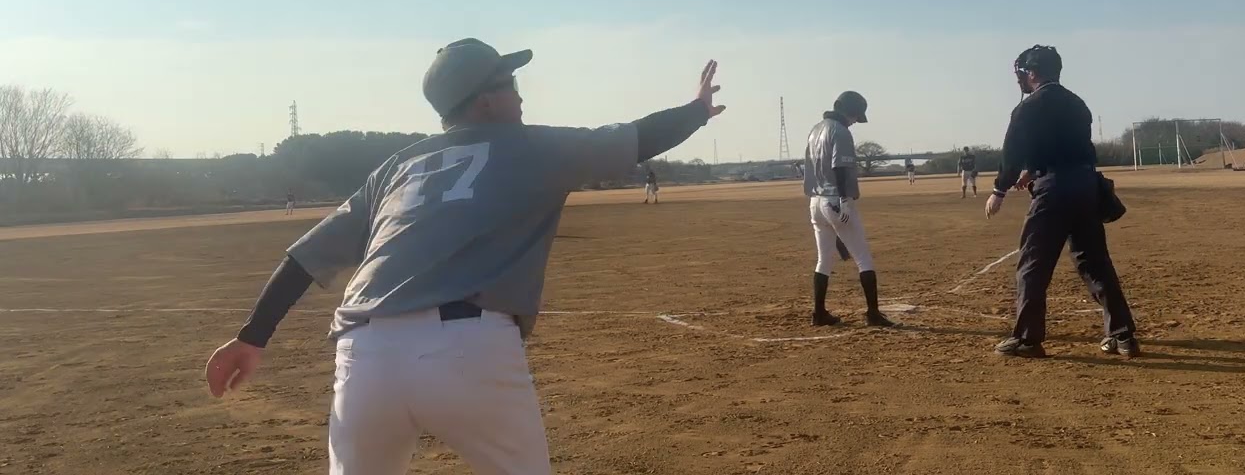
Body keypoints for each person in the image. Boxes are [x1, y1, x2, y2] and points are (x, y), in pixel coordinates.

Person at [203, 38, 726, 475]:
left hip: (363, 358)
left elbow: (306, 258)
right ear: (484, 102)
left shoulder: (398, 166)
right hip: (468, 348)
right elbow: (637, 138)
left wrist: (253, 336)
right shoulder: (529, 145)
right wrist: (698, 110)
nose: (520, 96)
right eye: (510, 85)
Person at [985, 45, 1139, 358]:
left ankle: (1028, 339)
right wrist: (1033, 170)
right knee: (1095, 262)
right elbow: (1066, 146)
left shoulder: (1028, 108)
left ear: (1032, 73)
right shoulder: (1077, 104)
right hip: (1085, 186)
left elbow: (1011, 153)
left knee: (1033, 265)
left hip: (1052, 191)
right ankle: (1123, 337)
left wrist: (1000, 189)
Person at [801, 91, 897, 328]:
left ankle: (819, 313)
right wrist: (844, 198)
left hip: (816, 201)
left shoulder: (815, 130)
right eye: (855, 116)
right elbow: (841, 167)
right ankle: (873, 314)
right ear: (848, 111)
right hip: (836, 199)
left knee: (823, 260)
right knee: (863, 258)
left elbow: (809, 170)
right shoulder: (841, 132)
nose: (855, 121)